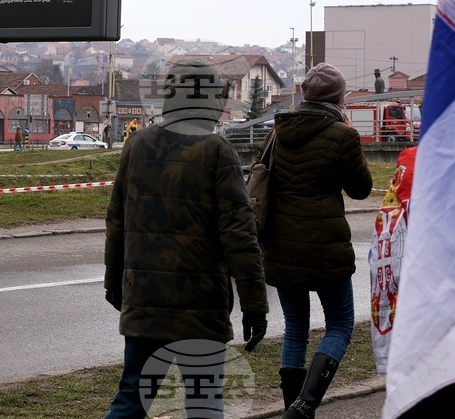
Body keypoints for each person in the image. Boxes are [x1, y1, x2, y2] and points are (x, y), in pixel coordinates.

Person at [103, 58, 269, 418]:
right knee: (203, 404)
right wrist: (255, 305)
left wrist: (113, 282)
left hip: (144, 297)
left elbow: (116, 220)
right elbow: (240, 236)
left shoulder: (137, 144)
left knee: (132, 397)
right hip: (200, 304)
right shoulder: (216, 151)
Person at [257, 62, 373, 417]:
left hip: (280, 245)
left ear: (304, 95)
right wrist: (350, 134)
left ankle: (292, 406)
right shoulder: (342, 135)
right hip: (325, 248)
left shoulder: (278, 130)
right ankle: (304, 407)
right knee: (339, 325)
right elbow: (361, 188)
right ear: (339, 97)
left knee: (295, 330)